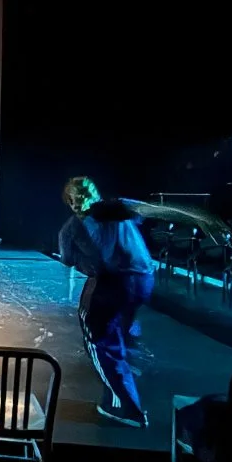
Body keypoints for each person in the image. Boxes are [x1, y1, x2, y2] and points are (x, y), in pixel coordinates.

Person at [58, 176, 155, 428]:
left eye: (80, 198)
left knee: (98, 340)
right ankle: (128, 352)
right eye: (74, 200)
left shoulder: (82, 222)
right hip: (142, 280)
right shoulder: (113, 210)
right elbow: (150, 210)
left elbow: (68, 259)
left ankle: (126, 407)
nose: (78, 204)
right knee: (119, 326)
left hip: (115, 283)